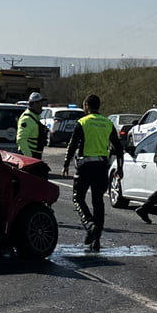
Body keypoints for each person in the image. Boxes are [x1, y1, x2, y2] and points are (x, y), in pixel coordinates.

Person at [62, 94, 124, 251]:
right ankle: (97, 239)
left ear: (87, 106)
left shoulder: (83, 122)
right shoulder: (108, 123)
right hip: (102, 166)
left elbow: (72, 144)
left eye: (84, 105)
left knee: (78, 197)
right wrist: (120, 167)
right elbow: (119, 147)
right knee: (98, 201)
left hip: (85, 165)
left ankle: (90, 225)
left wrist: (66, 163)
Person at [16, 92, 48, 159]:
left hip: (36, 155)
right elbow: (21, 140)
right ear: (34, 104)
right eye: (40, 103)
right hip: (30, 156)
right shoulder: (27, 119)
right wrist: (29, 158)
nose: (42, 105)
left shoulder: (35, 117)